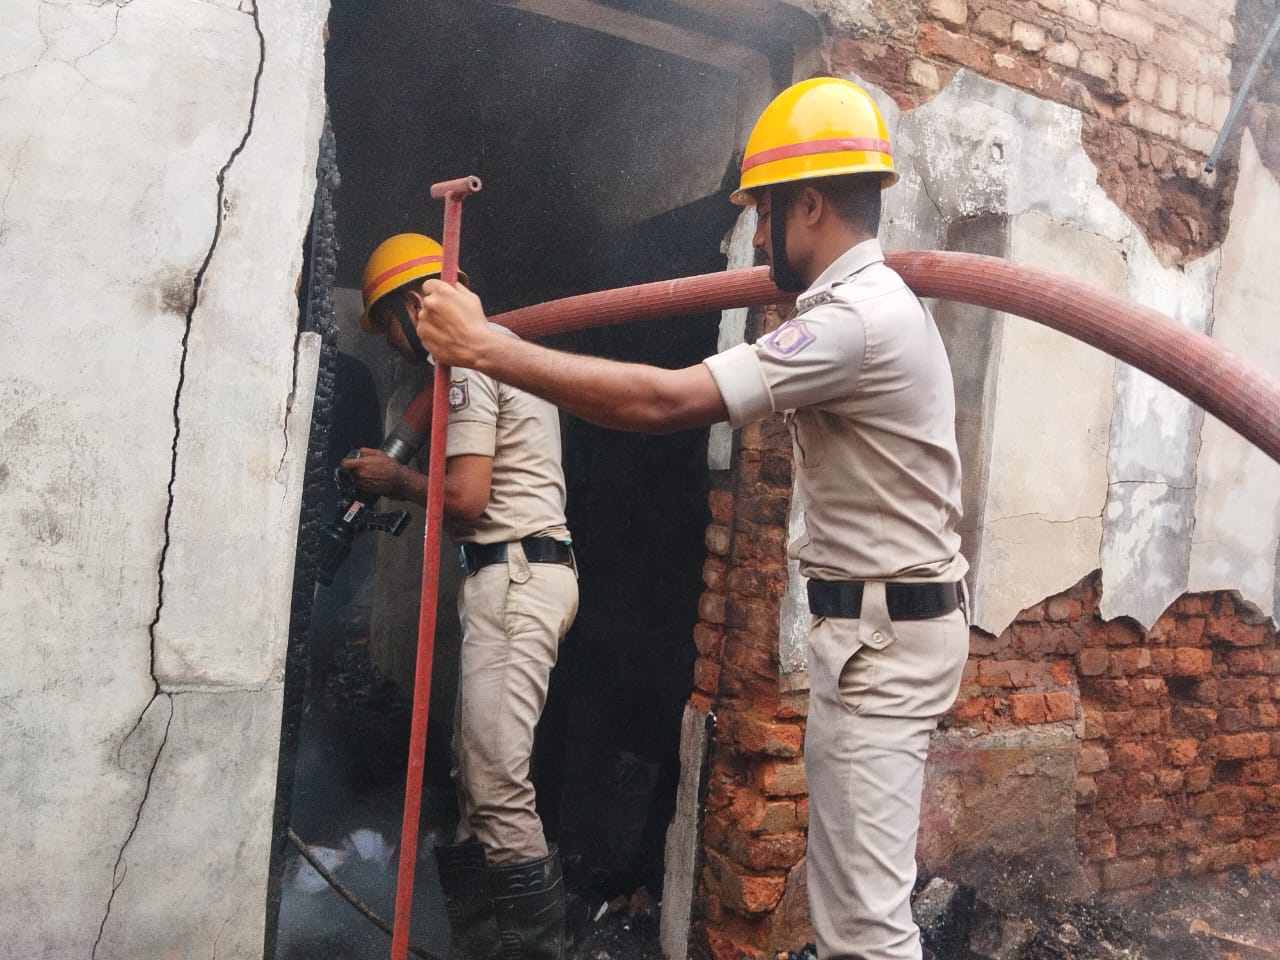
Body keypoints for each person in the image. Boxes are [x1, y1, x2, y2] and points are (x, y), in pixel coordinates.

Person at [407, 79, 969, 960]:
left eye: (763, 214)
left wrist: (486, 348)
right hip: (868, 634)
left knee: (866, 930)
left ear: (808, 205)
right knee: (848, 915)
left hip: (883, 641)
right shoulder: (857, 310)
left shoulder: (856, 320)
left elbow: (665, 402)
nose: (758, 240)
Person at [343, 233, 579, 960]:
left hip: (516, 576)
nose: (393, 347)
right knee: (475, 782)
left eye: (388, 327)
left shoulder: (473, 362)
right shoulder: (492, 354)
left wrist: (396, 480)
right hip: (515, 575)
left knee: (497, 785)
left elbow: (469, 498)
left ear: (416, 305)